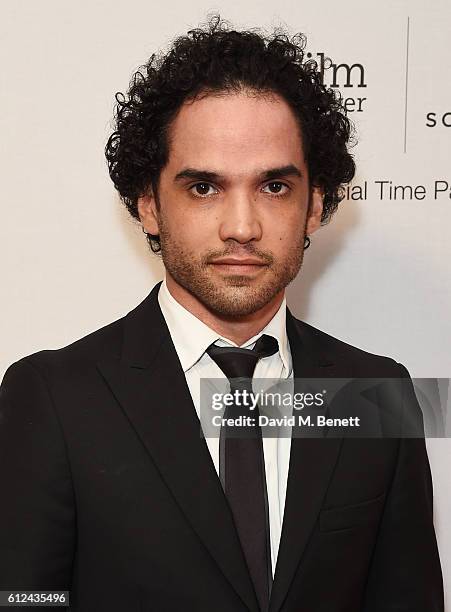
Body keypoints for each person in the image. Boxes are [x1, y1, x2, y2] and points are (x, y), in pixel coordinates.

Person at [0, 15, 444, 612]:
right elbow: (24, 599)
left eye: (275, 187)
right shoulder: (53, 396)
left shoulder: (373, 392)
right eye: (204, 188)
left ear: (316, 206)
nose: (242, 227)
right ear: (150, 204)